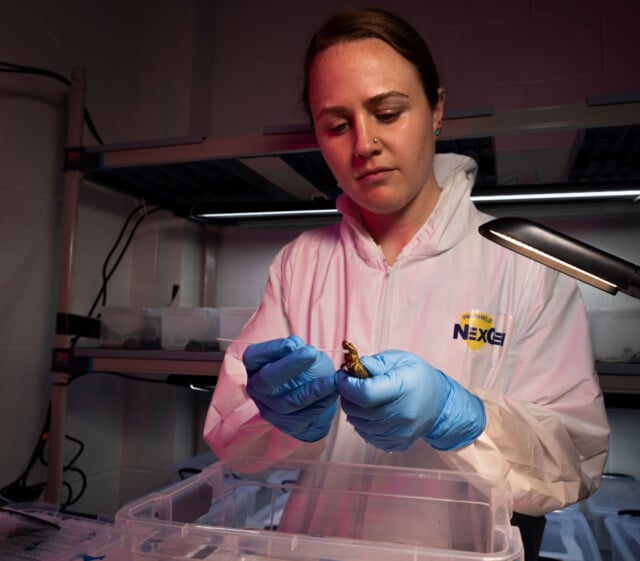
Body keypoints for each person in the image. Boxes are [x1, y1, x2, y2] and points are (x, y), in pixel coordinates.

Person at [204, 7, 609, 558]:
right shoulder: (302, 263)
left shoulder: (524, 265)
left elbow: (574, 461)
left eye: (388, 112)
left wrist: (459, 415)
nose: (363, 143)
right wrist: (271, 413)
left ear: (437, 108)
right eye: (337, 124)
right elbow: (234, 442)